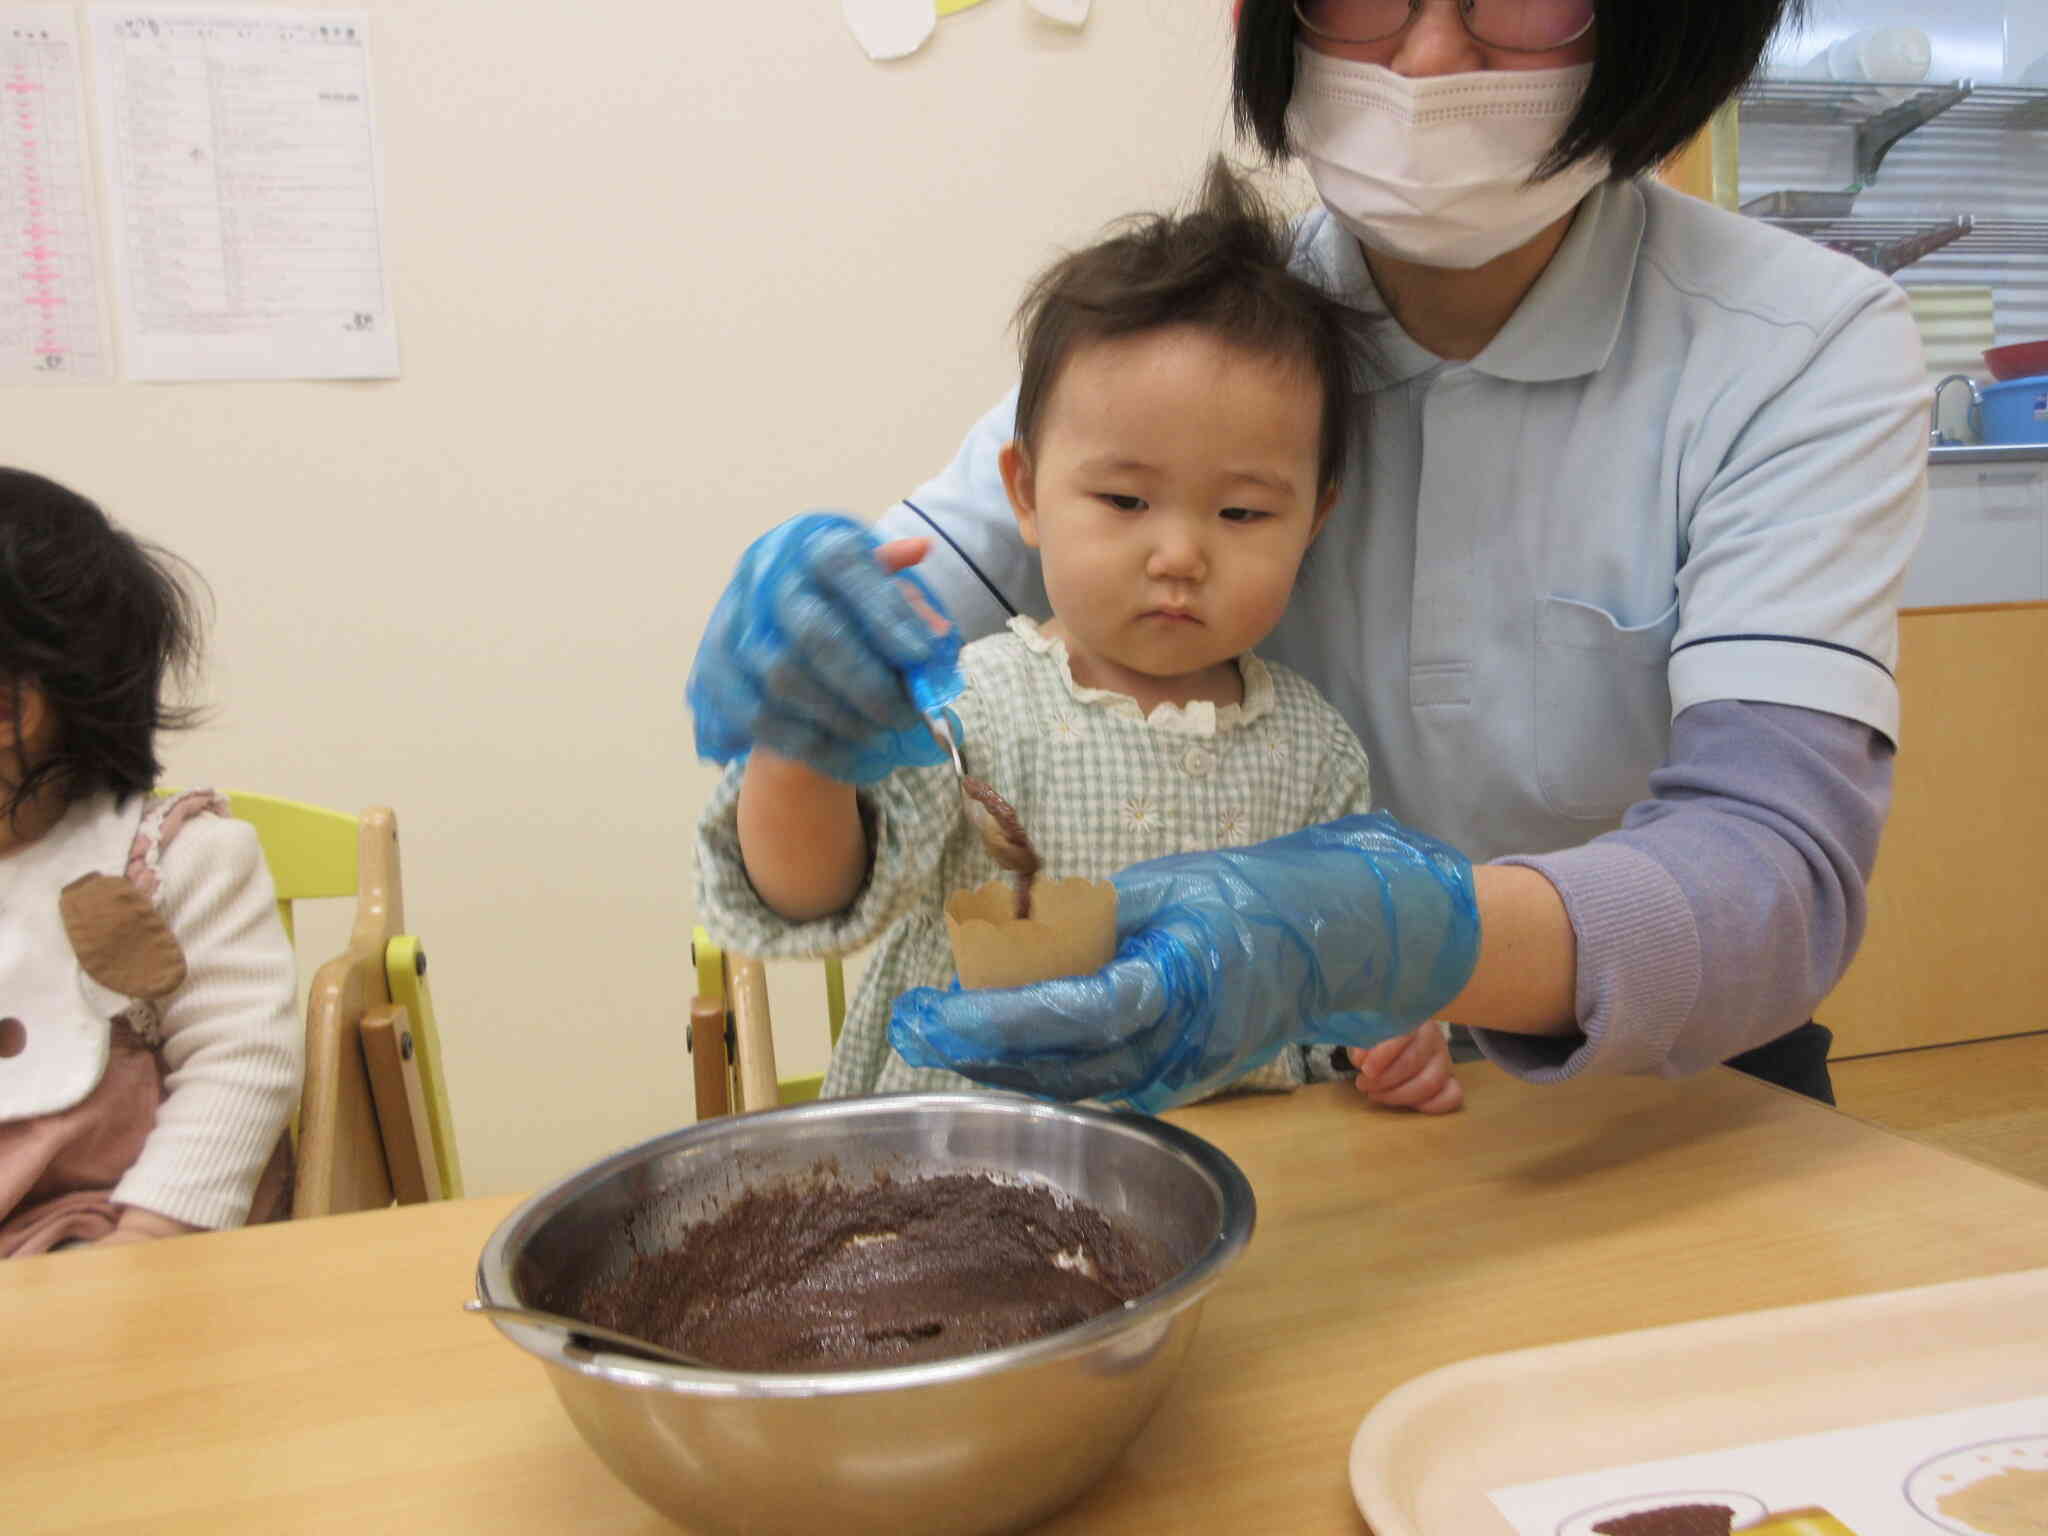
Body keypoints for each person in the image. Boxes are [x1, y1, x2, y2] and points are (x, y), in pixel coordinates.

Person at [693, 0, 1930, 1111]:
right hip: (1260, 1139)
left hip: (1658, 1095)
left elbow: (1773, 880)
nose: (1430, 51)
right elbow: (892, 640)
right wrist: (812, 663)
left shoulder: (1802, 348)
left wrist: (1396, 949)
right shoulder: (1184, 336)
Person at [692, 161, 1474, 1110]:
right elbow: (809, 889)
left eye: (1240, 512)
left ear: (1314, 521)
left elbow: (1342, 980)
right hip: (968, 1163)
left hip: (1250, 1185)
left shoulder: (1317, 752)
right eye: (1125, 499)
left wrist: (1390, 1039)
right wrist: (800, 745)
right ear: (1024, 492)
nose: (1179, 553)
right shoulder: (969, 704)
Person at [0, 469, 300, 1255]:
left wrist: (151, 1235)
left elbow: (240, 1061)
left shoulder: (175, 859)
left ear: (13, 709)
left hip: (94, 1231)